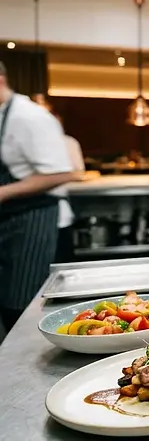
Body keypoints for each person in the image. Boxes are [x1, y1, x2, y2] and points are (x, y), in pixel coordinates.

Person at [0, 61, 76, 331]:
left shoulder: (29, 116)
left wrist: (3, 192)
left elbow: (60, 172)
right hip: (11, 223)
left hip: (37, 224)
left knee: (27, 313)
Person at [52, 112, 86, 263]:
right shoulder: (28, 143)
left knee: (62, 260)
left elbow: (79, 172)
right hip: (27, 217)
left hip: (58, 211)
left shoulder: (69, 143)